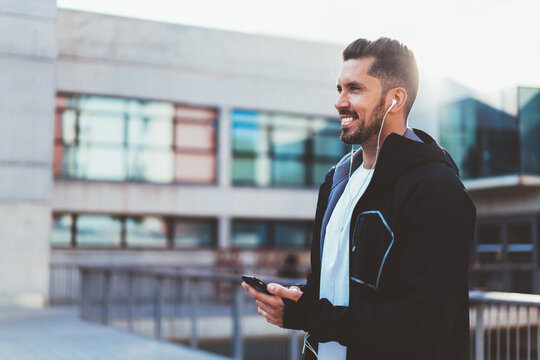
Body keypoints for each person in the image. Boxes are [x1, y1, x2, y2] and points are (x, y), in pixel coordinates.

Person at [242, 37, 476, 360]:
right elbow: (331, 289)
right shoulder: (336, 183)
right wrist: (297, 302)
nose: (339, 102)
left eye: (354, 89)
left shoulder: (436, 190)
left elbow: (424, 325)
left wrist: (313, 317)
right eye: (339, 89)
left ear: (396, 99)